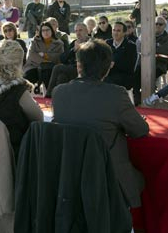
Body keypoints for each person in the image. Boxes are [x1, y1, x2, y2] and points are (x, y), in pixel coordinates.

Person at [52, 39, 149, 209]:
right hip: (109, 178)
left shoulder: (59, 92)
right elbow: (140, 131)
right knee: (146, 177)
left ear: (79, 66)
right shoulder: (116, 94)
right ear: (108, 67)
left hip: (68, 175)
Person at [133, 17, 168, 103]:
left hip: (160, 64)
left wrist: (148, 48)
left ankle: (149, 96)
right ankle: (137, 95)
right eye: (156, 24)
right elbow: (138, 46)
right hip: (144, 63)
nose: (158, 26)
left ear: (165, 26)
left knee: (149, 74)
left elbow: (163, 50)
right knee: (136, 72)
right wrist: (152, 47)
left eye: (160, 24)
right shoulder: (145, 35)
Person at [46, 22, 89, 97]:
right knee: (61, 77)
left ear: (86, 31)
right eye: (76, 31)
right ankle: (58, 99)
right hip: (72, 68)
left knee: (57, 67)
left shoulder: (92, 43)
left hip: (85, 70)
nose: (78, 33)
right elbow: (62, 58)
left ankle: (49, 95)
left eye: (80, 30)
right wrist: (73, 50)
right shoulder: (74, 43)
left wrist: (81, 49)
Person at [23, 21, 64, 92]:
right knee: (29, 77)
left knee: (48, 73)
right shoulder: (34, 41)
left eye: (47, 30)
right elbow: (31, 55)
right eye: (43, 30)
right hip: (34, 66)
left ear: (52, 31)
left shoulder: (59, 43)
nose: (45, 32)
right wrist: (45, 61)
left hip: (51, 67)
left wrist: (45, 55)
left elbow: (59, 56)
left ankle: (48, 96)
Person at [105, 21, 138, 90]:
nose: (115, 33)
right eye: (114, 30)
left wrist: (114, 64)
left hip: (124, 76)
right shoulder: (107, 43)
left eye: (118, 31)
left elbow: (130, 66)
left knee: (107, 82)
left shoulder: (131, 46)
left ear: (124, 33)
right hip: (108, 74)